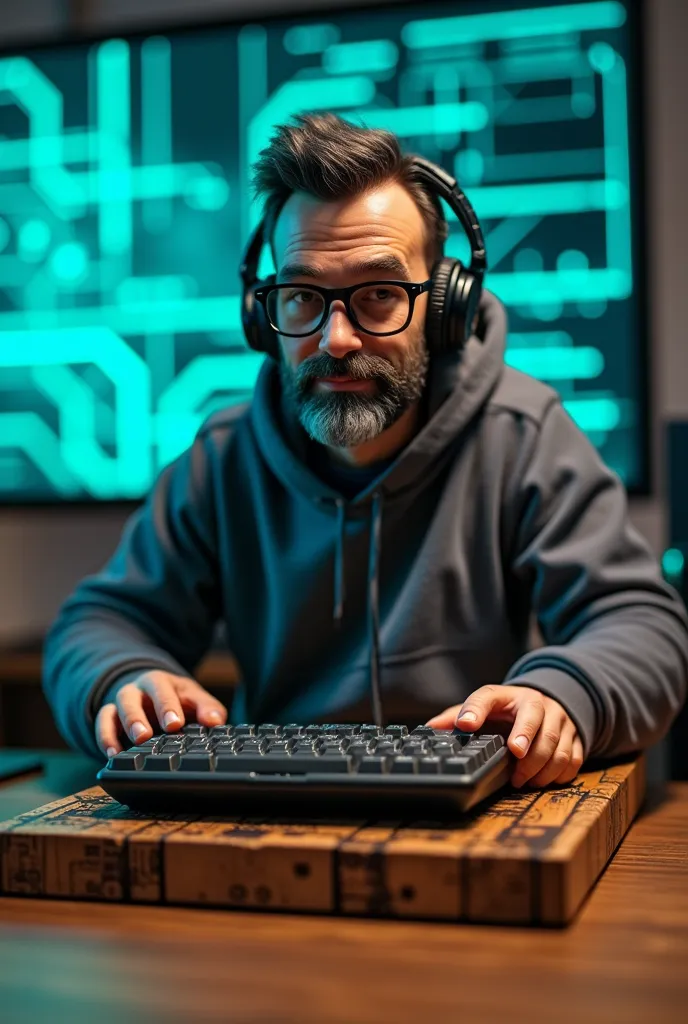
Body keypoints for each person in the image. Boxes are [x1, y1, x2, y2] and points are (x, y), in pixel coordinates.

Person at [44, 113, 688, 791]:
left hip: (472, 821)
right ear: (266, 315)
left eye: (379, 295)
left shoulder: (522, 434)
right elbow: (99, 623)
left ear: (446, 306)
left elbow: (640, 624)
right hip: (266, 820)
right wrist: (121, 677)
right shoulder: (223, 459)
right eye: (302, 297)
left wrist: (564, 695)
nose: (337, 339)